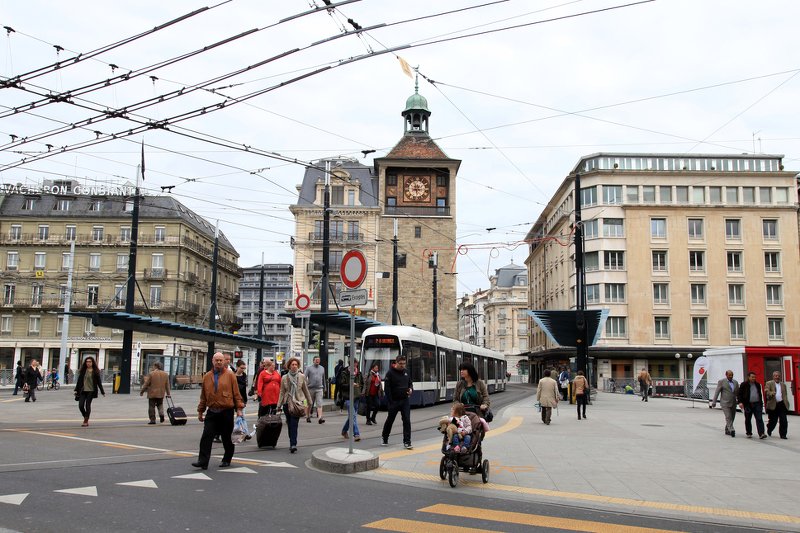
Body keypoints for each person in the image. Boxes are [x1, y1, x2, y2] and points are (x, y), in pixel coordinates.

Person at [192, 352, 244, 470]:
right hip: (212, 411)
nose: (219, 362)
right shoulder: (207, 376)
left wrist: (239, 409)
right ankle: (203, 461)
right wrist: (200, 411)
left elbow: (236, 393)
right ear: (213, 361)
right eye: (217, 360)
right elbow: (203, 396)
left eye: (221, 360)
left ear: (224, 362)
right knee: (206, 436)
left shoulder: (230, 375)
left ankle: (227, 458)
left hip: (226, 411)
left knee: (226, 437)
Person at [277, 357, 312, 453]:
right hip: (287, 403)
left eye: (296, 364)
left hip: (297, 403)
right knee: (289, 424)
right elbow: (281, 392)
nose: (294, 366)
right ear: (289, 366)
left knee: (294, 424)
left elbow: (305, 390)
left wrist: (309, 402)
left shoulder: (302, 376)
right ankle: (291, 441)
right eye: (292, 364)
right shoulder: (284, 377)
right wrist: (278, 405)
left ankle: (293, 444)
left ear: (298, 366)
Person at [381, 355, 413, 449]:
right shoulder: (390, 373)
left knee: (407, 420)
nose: (402, 366)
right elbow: (387, 389)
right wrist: (391, 402)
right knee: (390, 420)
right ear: (396, 362)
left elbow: (410, 383)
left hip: (405, 400)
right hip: (394, 401)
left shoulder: (406, 372)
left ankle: (407, 441)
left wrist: (411, 389)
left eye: (404, 363)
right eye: (401, 364)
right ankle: (385, 437)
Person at [338, 358, 364, 441]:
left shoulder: (359, 373)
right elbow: (341, 385)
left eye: (356, 364)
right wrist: (351, 385)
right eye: (354, 364)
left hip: (356, 397)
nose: (355, 365)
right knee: (353, 416)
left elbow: (362, 384)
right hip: (348, 397)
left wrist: (361, 391)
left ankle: (344, 431)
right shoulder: (344, 373)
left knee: (351, 417)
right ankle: (356, 434)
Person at [74, 357, 105, 426]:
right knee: (81, 405)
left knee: (87, 405)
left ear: (92, 362)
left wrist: (102, 391)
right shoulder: (83, 371)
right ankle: (86, 416)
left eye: (90, 362)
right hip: (83, 390)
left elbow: (99, 382)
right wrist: (76, 390)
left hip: (91, 391)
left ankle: (86, 421)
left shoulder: (95, 371)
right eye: (87, 362)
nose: (88, 363)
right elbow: (79, 381)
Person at [737, 371, 765, 439]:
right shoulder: (744, 384)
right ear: (748, 377)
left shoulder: (757, 384)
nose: (753, 378)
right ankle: (749, 432)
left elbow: (759, 394)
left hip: (757, 404)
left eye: (754, 377)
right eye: (752, 377)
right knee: (748, 419)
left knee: (759, 418)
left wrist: (761, 404)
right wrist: (740, 402)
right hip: (748, 404)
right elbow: (739, 394)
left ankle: (761, 433)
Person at [711, 369, 740, 438]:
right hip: (725, 402)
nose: (731, 376)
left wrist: (739, 401)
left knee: (732, 417)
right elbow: (717, 392)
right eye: (729, 375)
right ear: (726, 375)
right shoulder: (721, 382)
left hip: (733, 402)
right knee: (728, 416)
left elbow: (737, 393)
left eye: (732, 375)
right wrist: (714, 402)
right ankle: (731, 429)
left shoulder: (735, 382)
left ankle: (727, 429)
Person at [764, 371, 789, 439]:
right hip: (773, 404)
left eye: (778, 376)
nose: (777, 377)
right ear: (773, 376)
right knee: (773, 421)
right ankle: (769, 428)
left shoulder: (783, 385)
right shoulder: (769, 383)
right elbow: (766, 391)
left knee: (784, 420)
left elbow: (785, 395)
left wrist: (786, 402)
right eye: (776, 376)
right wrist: (771, 393)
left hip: (781, 404)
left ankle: (783, 434)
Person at [304, 356, 326, 424]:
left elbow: (323, 379)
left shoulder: (322, 368)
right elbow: (304, 377)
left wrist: (325, 387)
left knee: (319, 404)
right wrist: (304, 387)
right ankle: (308, 416)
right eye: (316, 360)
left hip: (319, 388)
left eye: (318, 360)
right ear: (313, 361)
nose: (317, 361)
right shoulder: (309, 368)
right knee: (310, 404)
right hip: (310, 388)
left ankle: (320, 418)